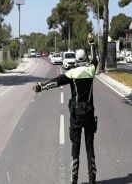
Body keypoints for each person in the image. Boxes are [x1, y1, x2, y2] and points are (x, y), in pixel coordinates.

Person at [33, 35, 98, 184]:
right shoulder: (91, 71)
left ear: (76, 59)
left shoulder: (72, 73)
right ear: (85, 59)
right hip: (89, 114)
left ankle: (74, 180)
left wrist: (41, 87)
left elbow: (56, 82)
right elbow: (95, 60)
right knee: (90, 148)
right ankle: (92, 180)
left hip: (76, 115)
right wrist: (92, 44)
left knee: (76, 148)